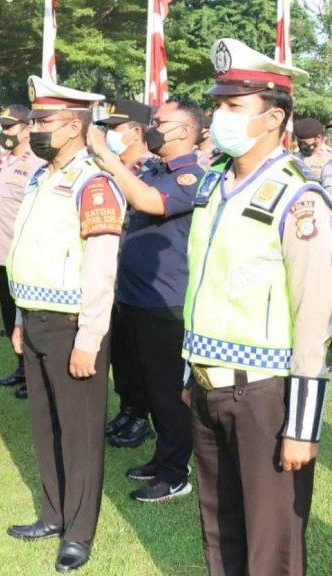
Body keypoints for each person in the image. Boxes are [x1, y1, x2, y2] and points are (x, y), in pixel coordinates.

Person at [182, 38, 332, 576]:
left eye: (233, 106)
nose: (218, 115)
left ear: (273, 118)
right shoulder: (214, 186)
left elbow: (316, 316)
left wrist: (302, 425)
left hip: (264, 394)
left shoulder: (300, 198)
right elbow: (202, 283)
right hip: (207, 385)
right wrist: (189, 369)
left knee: (272, 544)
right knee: (220, 528)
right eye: (218, 104)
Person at [5, 75, 126, 573]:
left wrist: (90, 339)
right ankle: (53, 513)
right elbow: (25, 252)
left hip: (73, 324)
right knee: (45, 423)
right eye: (34, 120)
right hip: (33, 318)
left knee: (78, 433)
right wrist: (17, 317)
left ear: (75, 126)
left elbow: (102, 268)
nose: (34, 128)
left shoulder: (92, 183)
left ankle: (78, 531)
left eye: (44, 121)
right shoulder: (41, 176)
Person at [89, 95, 204, 502]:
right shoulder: (155, 169)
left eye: (160, 121)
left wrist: (107, 155)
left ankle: (175, 473)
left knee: (169, 394)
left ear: (186, 131)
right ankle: (161, 460)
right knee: (147, 387)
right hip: (134, 298)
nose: (152, 126)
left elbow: (147, 202)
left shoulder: (190, 176)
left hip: (164, 303)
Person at [93, 100, 157, 449]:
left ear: (136, 131)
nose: (109, 135)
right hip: (116, 277)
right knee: (121, 353)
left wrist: (113, 161)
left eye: (116, 128)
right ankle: (129, 408)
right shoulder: (112, 168)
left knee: (141, 355)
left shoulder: (150, 169)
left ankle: (142, 416)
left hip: (143, 280)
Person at [0, 105, 45, 400]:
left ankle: (33, 373)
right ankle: (20, 368)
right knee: (11, 316)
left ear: (27, 129)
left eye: (10, 127)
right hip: (0, 254)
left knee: (27, 319)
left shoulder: (36, 162)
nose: (5, 133)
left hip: (20, 253)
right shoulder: (7, 161)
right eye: (3, 127)